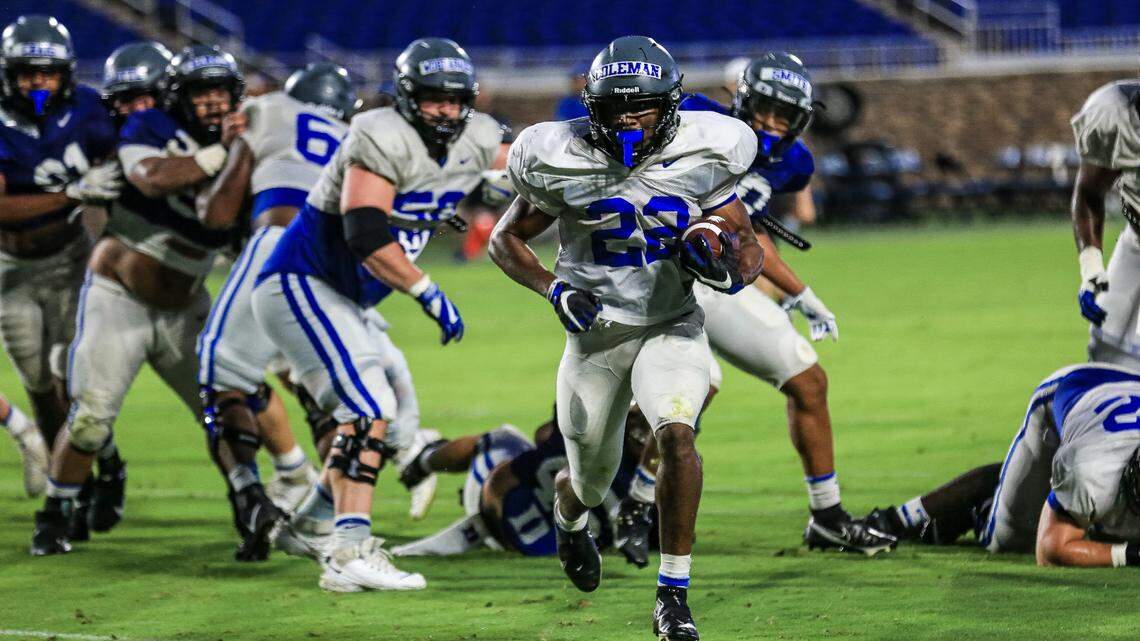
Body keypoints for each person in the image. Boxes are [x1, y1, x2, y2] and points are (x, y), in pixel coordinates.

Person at [489, 35, 763, 641]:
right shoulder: (559, 156)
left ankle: (673, 594)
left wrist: (729, 272)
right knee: (588, 479)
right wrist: (554, 290)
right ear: (594, 107)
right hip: (596, 338)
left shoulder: (707, 148)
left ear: (670, 104)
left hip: (672, 322)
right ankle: (569, 512)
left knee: (677, 434)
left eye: (643, 106)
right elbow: (503, 240)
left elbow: (747, 244)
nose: (631, 118)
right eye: (618, 107)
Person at [613, 53, 895, 567]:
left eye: (782, 116)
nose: (769, 124)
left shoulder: (794, 164)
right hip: (661, 275)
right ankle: (634, 508)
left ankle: (827, 517)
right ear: (741, 100)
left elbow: (751, 230)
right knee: (700, 385)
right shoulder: (695, 120)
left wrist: (799, 294)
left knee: (808, 379)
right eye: (763, 109)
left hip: (719, 282)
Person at [252, 37, 507, 592]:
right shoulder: (379, 133)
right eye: (432, 98)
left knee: (389, 403)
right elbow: (365, 232)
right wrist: (427, 291)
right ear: (407, 97)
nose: (444, 110)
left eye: (454, 99)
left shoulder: (481, 137)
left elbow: (521, 167)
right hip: (303, 281)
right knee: (368, 408)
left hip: (347, 298)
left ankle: (314, 523)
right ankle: (348, 551)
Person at [30, 44, 244, 556]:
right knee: (88, 412)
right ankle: (61, 506)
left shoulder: (221, 139)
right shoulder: (129, 137)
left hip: (186, 300)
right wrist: (75, 193)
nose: (136, 110)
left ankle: (255, 495)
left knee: (228, 405)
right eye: (124, 100)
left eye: (145, 98)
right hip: (116, 294)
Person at [194, 62, 358, 559]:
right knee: (327, 396)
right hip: (341, 263)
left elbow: (217, 214)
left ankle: (249, 495)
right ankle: (331, 518)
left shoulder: (266, 111)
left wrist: (234, 148)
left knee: (220, 374)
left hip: (282, 243)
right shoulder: (356, 135)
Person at [0, 15, 119, 510]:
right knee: (39, 386)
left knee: (70, 379)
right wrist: (70, 193)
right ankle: (70, 483)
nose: (37, 82)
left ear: (65, 74)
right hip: (11, 271)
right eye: (27, 73)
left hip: (71, 262)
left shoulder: (90, 111)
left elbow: (121, 173)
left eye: (46, 73)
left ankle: (101, 469)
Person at [863, 363, 1140, 568]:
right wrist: (1126, 555)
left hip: (1122, 391)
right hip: (1069, 390)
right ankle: (900, 519)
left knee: (1100, 519)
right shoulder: (1091, 471)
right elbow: (1050, 551)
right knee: (1012, 540)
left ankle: (1017, 484)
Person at [393, 403, 660, 558]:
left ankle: (421, 461)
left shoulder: (592, 428)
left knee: (501, 438)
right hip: (536, 547)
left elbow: (542, 434)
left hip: (495, 503)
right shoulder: (651, 485)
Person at [1070, 78, 1140, 371]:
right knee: (1105, 354)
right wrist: (1091, 266)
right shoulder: (1115, 113)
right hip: (1137, 239)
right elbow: (1088, 194)